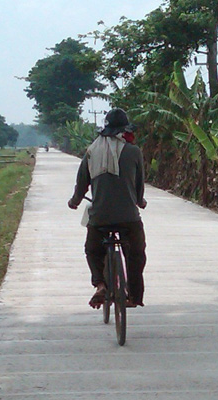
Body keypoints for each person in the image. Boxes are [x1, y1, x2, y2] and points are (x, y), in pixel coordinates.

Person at [68, 108, 147, 309]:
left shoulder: (92, 151)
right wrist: (139, 201)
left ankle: (100, 284)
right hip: (128, 218)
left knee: (93, 249)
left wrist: (75, 201)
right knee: (136, 253)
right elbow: (139, 186)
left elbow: (82, 183)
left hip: (100, 217)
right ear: (125, 130)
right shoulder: (133, 151)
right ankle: (134, 296)